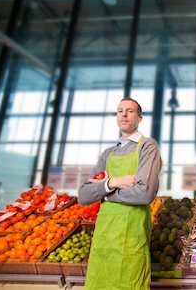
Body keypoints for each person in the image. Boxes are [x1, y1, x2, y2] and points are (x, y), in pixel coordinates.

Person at [78, 97, 162, 290]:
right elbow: (83, 195)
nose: (123, 114)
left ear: (140, 118)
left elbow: (144, 193)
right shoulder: (107, 154)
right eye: (119, 110)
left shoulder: (147, 147)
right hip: (104, 234)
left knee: (130, 281)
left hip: (131, 234)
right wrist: (114, 182)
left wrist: (105, 193)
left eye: (130, 111)